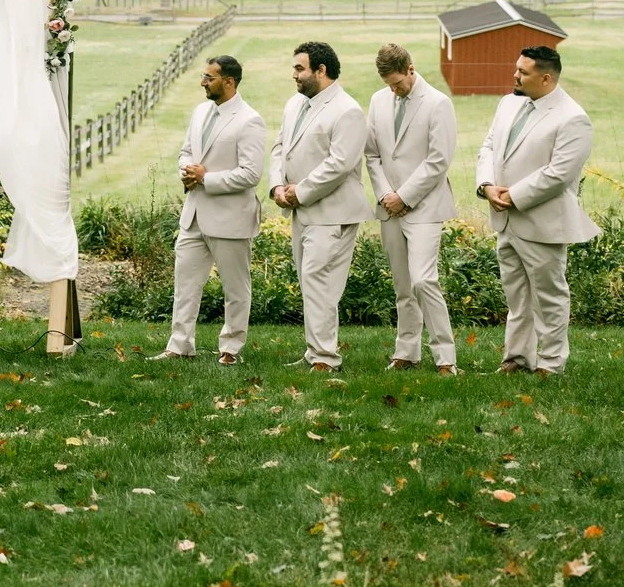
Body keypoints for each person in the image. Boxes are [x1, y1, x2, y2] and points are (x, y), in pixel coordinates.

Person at [473, 45, 596, 376]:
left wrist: (513, 195)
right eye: (517, 69)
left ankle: (551, 363)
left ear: (546, 77)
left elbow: (559, 174)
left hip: (543, 221)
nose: (514, 75)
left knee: (550, 296)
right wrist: (486, 186)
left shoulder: (573, 118)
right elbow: (488, 146)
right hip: (505, 218)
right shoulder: (508, 103)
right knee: (516, 296)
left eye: (522, 72)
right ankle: (517, 357)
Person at [154, 53, 266, 364]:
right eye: (204, 76)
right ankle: (179, 345)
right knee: (185, 285)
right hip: (193, 216)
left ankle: (231, 349)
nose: (203, 82)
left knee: (236, 288)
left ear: (229, 82)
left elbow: (251, 173)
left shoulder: (249, 120)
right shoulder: (200, 112)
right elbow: (186, 151)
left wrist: (207, 178)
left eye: (209, 77)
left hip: (230, 217)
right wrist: (186, 171)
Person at [267, 41, 371, 372]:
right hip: (302, 210)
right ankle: (315, 352)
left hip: (333, 212)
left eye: (299, 68)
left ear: (321, 71)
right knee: (310, 280)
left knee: (318, 279)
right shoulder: (295, 104)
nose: (293, 75)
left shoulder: (348, 110)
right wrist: (276, 186)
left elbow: (340, 164)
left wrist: (302, 191)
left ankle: (326, 357)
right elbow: (279, 146)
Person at [365, 43, 458, 373]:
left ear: (410, 68)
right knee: (403, 285)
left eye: (398, 82)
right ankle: (406, 352)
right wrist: (385, 195)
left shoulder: (438, 104)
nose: (393, 89)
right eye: (388, 84)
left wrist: (404, 196)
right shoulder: (378, 101)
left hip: (424, 207)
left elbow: (438, 161)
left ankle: (445, 356)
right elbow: (373, 155)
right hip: (389, 207)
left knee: (423, 281)